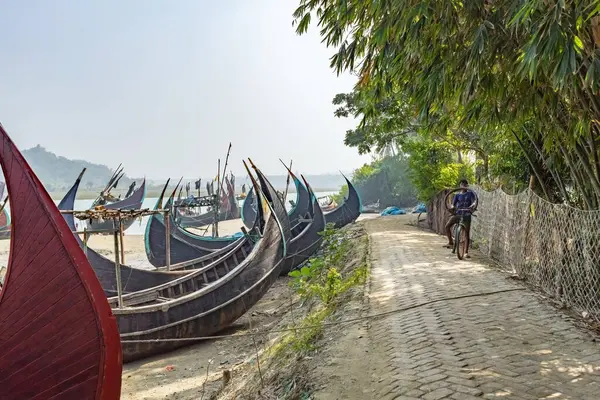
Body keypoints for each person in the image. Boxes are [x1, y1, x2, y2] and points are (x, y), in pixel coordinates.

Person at [444, 179, 478, 258]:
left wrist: (472, 206)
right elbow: (453, 204)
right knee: (447, 226)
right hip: (458, 214)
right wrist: (452, 207)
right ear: (460, 186)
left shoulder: (470, 194)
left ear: (467, 186)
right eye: (462, 185)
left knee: (466, 233)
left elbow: (474, 202)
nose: (463, 186)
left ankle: (466, 252)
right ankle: (450, 242)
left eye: (465, 185)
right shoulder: (457, 195)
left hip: (466, 214)